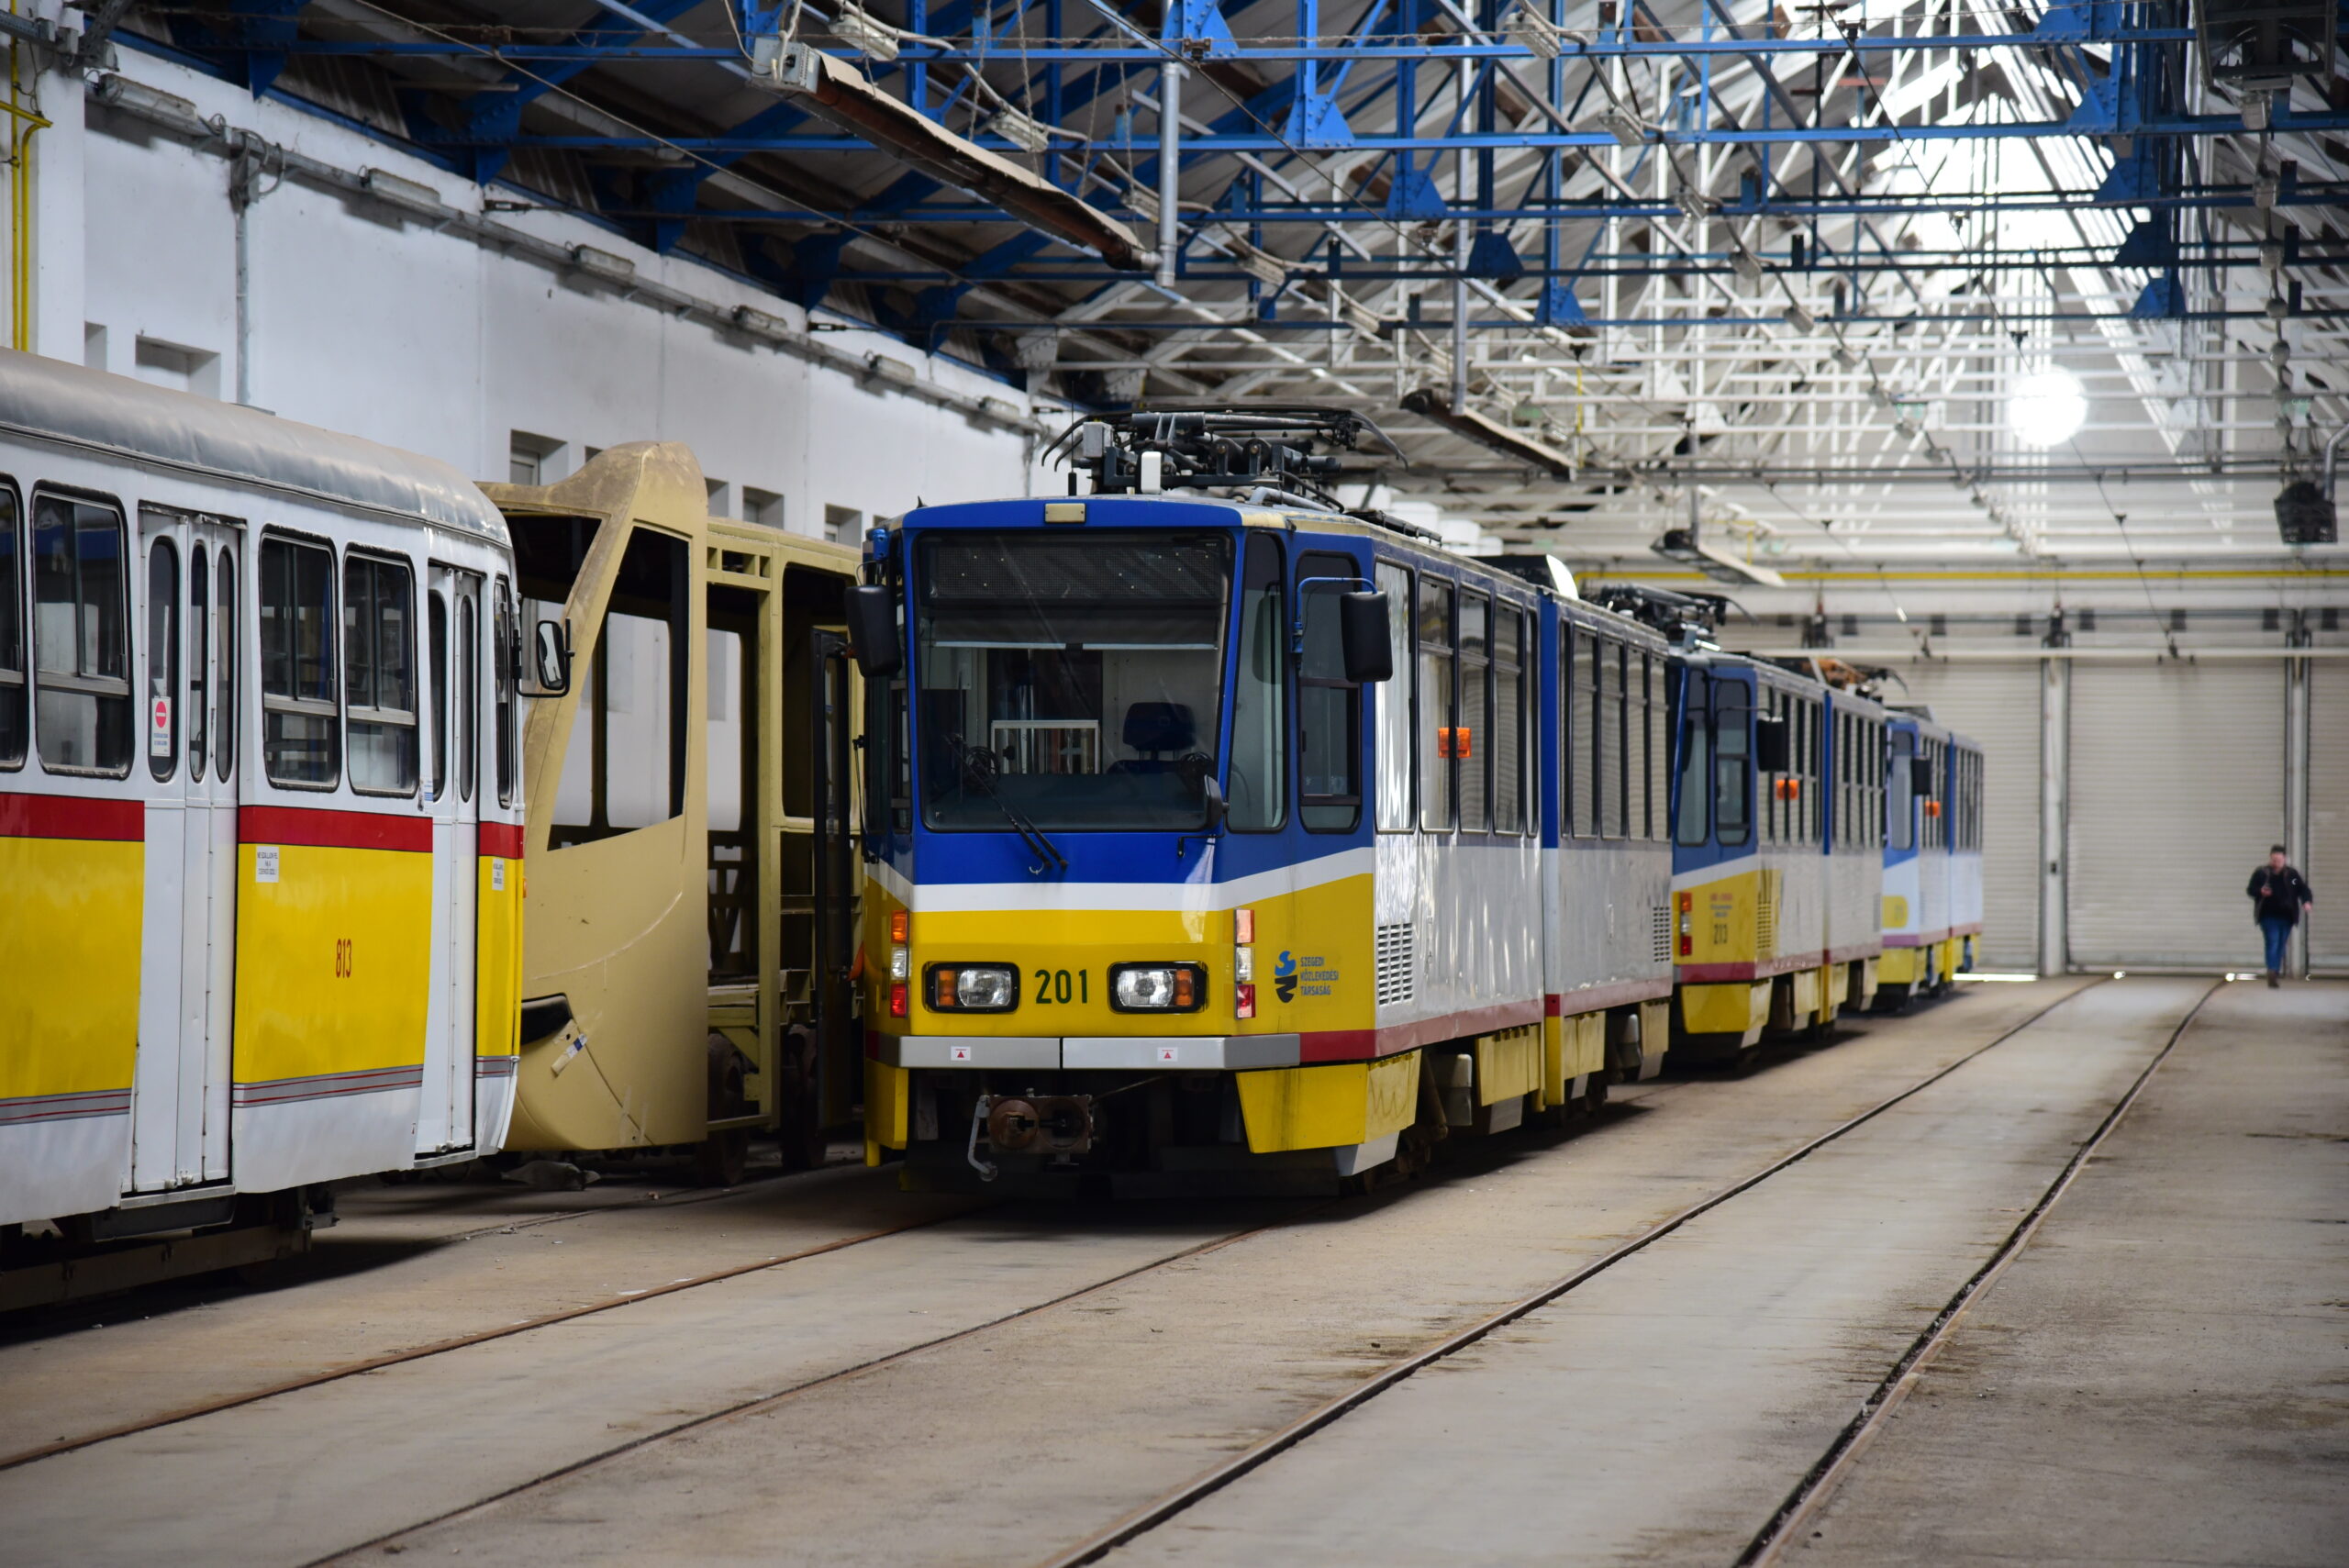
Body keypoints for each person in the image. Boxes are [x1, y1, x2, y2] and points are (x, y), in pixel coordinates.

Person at [2245, 845, 2313, 988]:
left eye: (2279, 860)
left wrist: (2306, 901)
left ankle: (2274, 969)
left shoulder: (2292, 875)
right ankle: (2272, 971)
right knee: (2273, 941)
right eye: (2274, 860)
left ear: (2284, 859)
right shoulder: (2261, 874)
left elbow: (2301, 888)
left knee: (2281, 944)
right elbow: (2251, 889)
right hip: (2268, 915)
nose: (2276, 863)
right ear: (2270, 858)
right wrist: (2260, 891)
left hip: (2287, 916)